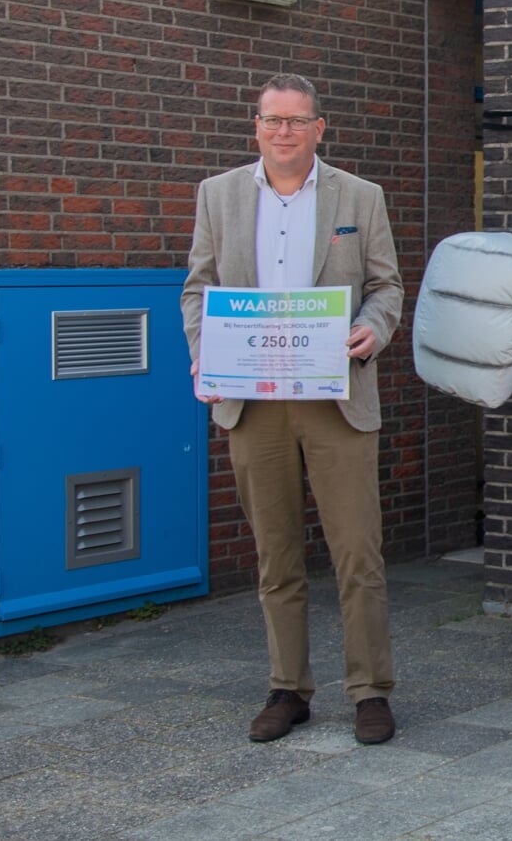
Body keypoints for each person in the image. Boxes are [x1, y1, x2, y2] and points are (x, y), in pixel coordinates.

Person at [180, 73, 404, 746]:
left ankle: (370, 691)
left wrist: (374, 329)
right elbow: (199, 289)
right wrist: (203, 352)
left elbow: (387, 286)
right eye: (272, 120)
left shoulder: (359, 197)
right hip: (255, 403)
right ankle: (288, 688)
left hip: (335, 398)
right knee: (275, 555)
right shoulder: (217, 195)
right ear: (256, 126)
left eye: (297, 121)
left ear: (318, 128)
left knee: (357, 553)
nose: (284, 132)